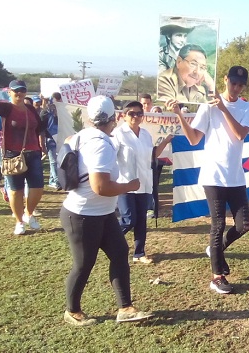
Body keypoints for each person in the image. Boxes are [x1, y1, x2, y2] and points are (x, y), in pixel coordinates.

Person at [60, 95, 154, 326]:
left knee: (120, 253)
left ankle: (126, 308)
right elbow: (100, 186)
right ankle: (72, 311)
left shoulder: (84, 135)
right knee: (83, 264)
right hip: (83, 214)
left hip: (101, 213)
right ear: (114, 117)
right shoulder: (101, 144)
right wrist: (129, 186)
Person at [166, 65, 249, 294]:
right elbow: (195, 138)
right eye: (232, 82)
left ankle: (215, 250)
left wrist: (224, 109)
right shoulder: (208, 106)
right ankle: (217, 276)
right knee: (218, 225)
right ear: (225, 80)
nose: (235, 88)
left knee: (243, 225)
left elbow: (239, 135)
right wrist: (179, 114)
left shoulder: (247, 108)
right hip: (213, 175)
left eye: (240, 84)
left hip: (235, 176)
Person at [0, 73, 46, 235]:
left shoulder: (30, 109)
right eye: (16, 91)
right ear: (10, 93)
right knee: (16, 190)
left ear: (26, 92)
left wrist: (42, 144)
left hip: (33, 153)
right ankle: (19, 221)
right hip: (12, 155)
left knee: (38, 188)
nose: (19, 93)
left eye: (22, 90)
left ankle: (29, 214)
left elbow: (40, 126)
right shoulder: (6, 108)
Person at [113, 101, 173, 264]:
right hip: (125, 183)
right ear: (124, 116)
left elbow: (153, 154)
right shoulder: (118, 134)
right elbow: (111, 157)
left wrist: (166, 141)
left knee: (141, 221)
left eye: (139, 113)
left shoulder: (146, 134)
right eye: (132, 113)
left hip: (144, 183)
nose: (136, 116)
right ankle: (107, 240)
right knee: (128, 219)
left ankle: (139, 253)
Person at [40, 92, 61, 190]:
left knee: (58, 160)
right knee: (53, 161)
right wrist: (42, 144)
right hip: (50, 139)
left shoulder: (63, 111)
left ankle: (52, 180)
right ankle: (57, 181)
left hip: (61, 139)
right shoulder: (45, 112)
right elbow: (41, 129)